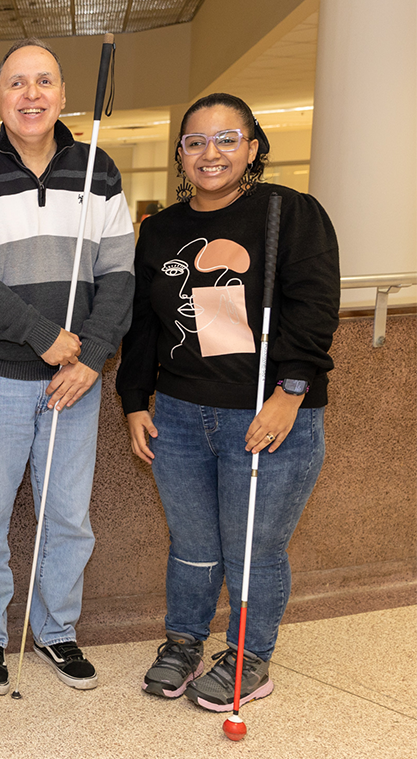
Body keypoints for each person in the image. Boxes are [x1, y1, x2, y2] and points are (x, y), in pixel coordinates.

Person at [116, 92, 339, 711]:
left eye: (226, 139)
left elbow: (315, 310)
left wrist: (289, 395)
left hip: (269, 413)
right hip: (182, 417)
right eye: (195, 142)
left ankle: (248, 656)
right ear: (180, 154)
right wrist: (136, 401)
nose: (209, 153)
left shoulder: (289, 214)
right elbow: (145, 326)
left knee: (253, 549)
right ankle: (184, 642)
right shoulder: (160, 230)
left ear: (254, 146)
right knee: (191, 545)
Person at [0, 38, 135, 694]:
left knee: (69, 516)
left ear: (62, 95)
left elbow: (119, 275)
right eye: (16, 83)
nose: (31, 94)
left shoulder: (97, 169)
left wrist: (91, 357)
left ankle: (56, 631)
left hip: (75, 378)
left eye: (43, 81)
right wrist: (42, 334)